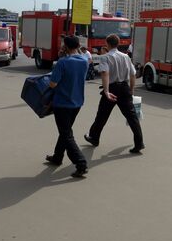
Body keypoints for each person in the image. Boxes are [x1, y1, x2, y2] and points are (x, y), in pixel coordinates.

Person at [85, 34, 144, 154]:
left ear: (107, 44)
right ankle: (139, 143)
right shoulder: (126, 57)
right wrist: (131, 90)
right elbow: (133, 74)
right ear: (118, 43)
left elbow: (105, 74)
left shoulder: (105, 57)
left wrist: (106, 91)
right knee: (132, 117)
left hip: (112, 88)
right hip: (124, 87)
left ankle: (94, 137)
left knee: (102, 115)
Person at [46, 35, 89, 178]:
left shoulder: (63, 62)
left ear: (65, 46)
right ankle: (57, 157)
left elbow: (53, 84)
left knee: (66, 134)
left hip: (62, 103)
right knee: (65, 131)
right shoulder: (84, 60)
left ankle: (80, 163)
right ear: (77, 45)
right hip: (77, 102)